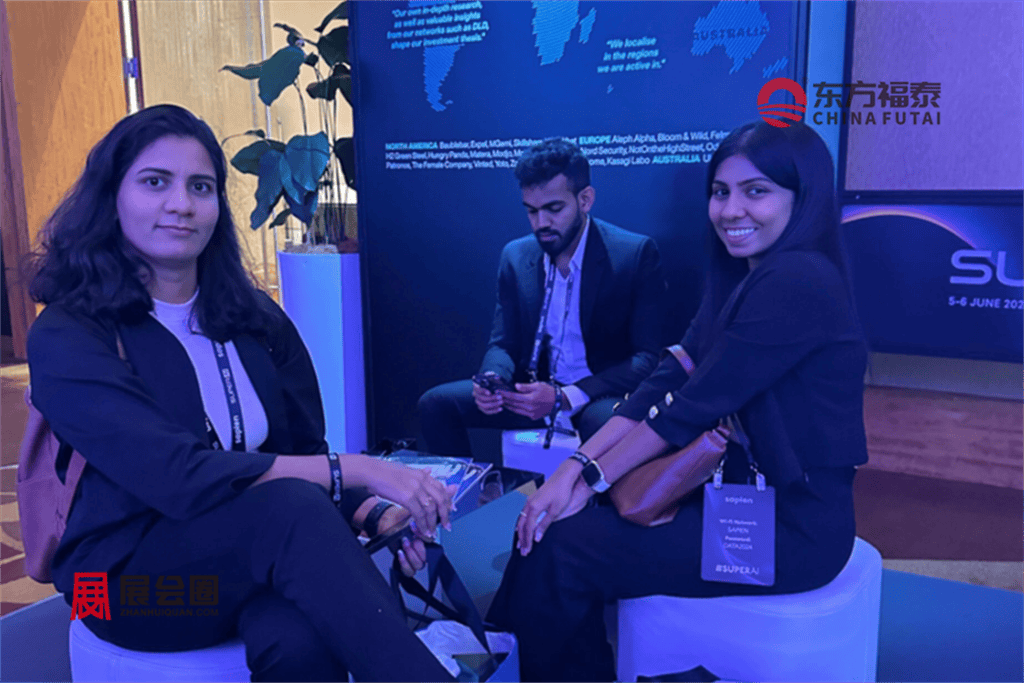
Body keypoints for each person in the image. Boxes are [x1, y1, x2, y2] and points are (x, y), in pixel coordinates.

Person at [27, 104, 454, 682]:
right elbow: (177, 475)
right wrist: (361, 469)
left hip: (237, 559)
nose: (181, 204)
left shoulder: (253, 318)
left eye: (200, 187)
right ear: (112, 196)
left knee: (299, 637)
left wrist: (372, 510)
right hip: (112, 588)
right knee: (292, 514)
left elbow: (301, 451)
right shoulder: (69, 332)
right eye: (155, 182)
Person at [487, 121, 870, 682]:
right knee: (550, 526)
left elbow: (686, 408)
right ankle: (504, 644)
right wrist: (572, 470)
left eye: (756, 191)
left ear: (802, 196)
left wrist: (586, 478)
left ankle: (512, 649)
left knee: (567, 548)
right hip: (732, 495)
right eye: (720, 192)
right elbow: (665, 378)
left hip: (789, 529)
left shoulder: (799, 280)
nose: (731, 210)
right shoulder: (742, 279)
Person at [417, 138, 669, 460]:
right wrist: (493, 379)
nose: (541, 224)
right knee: (436, 404)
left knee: (603, 423)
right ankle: (459, 489)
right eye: (532, 211)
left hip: (598, 394)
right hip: (533, 393)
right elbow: (503, 343)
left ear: (585, 199)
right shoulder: (516, 256)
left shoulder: (632, 254)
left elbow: (648, 358)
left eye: (554, 209)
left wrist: (567, 396)